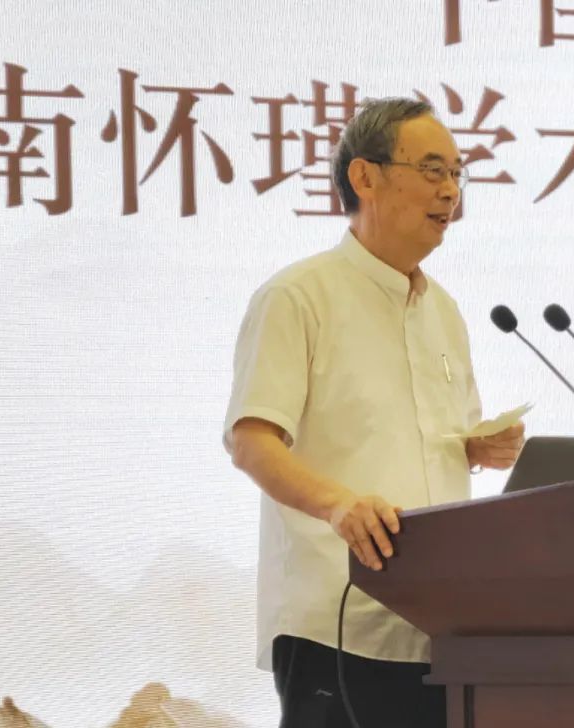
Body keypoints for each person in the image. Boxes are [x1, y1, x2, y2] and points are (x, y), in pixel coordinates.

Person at [222, 97, 525, 728]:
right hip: (337, 627)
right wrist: (339, 505)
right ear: (365, 176)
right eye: (433, 170)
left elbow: (432, 436)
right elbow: (252, 441)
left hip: (440, 630)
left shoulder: (444, 310)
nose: (451, 192)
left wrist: (475, 447)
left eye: (457, 174)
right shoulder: (298, 296)